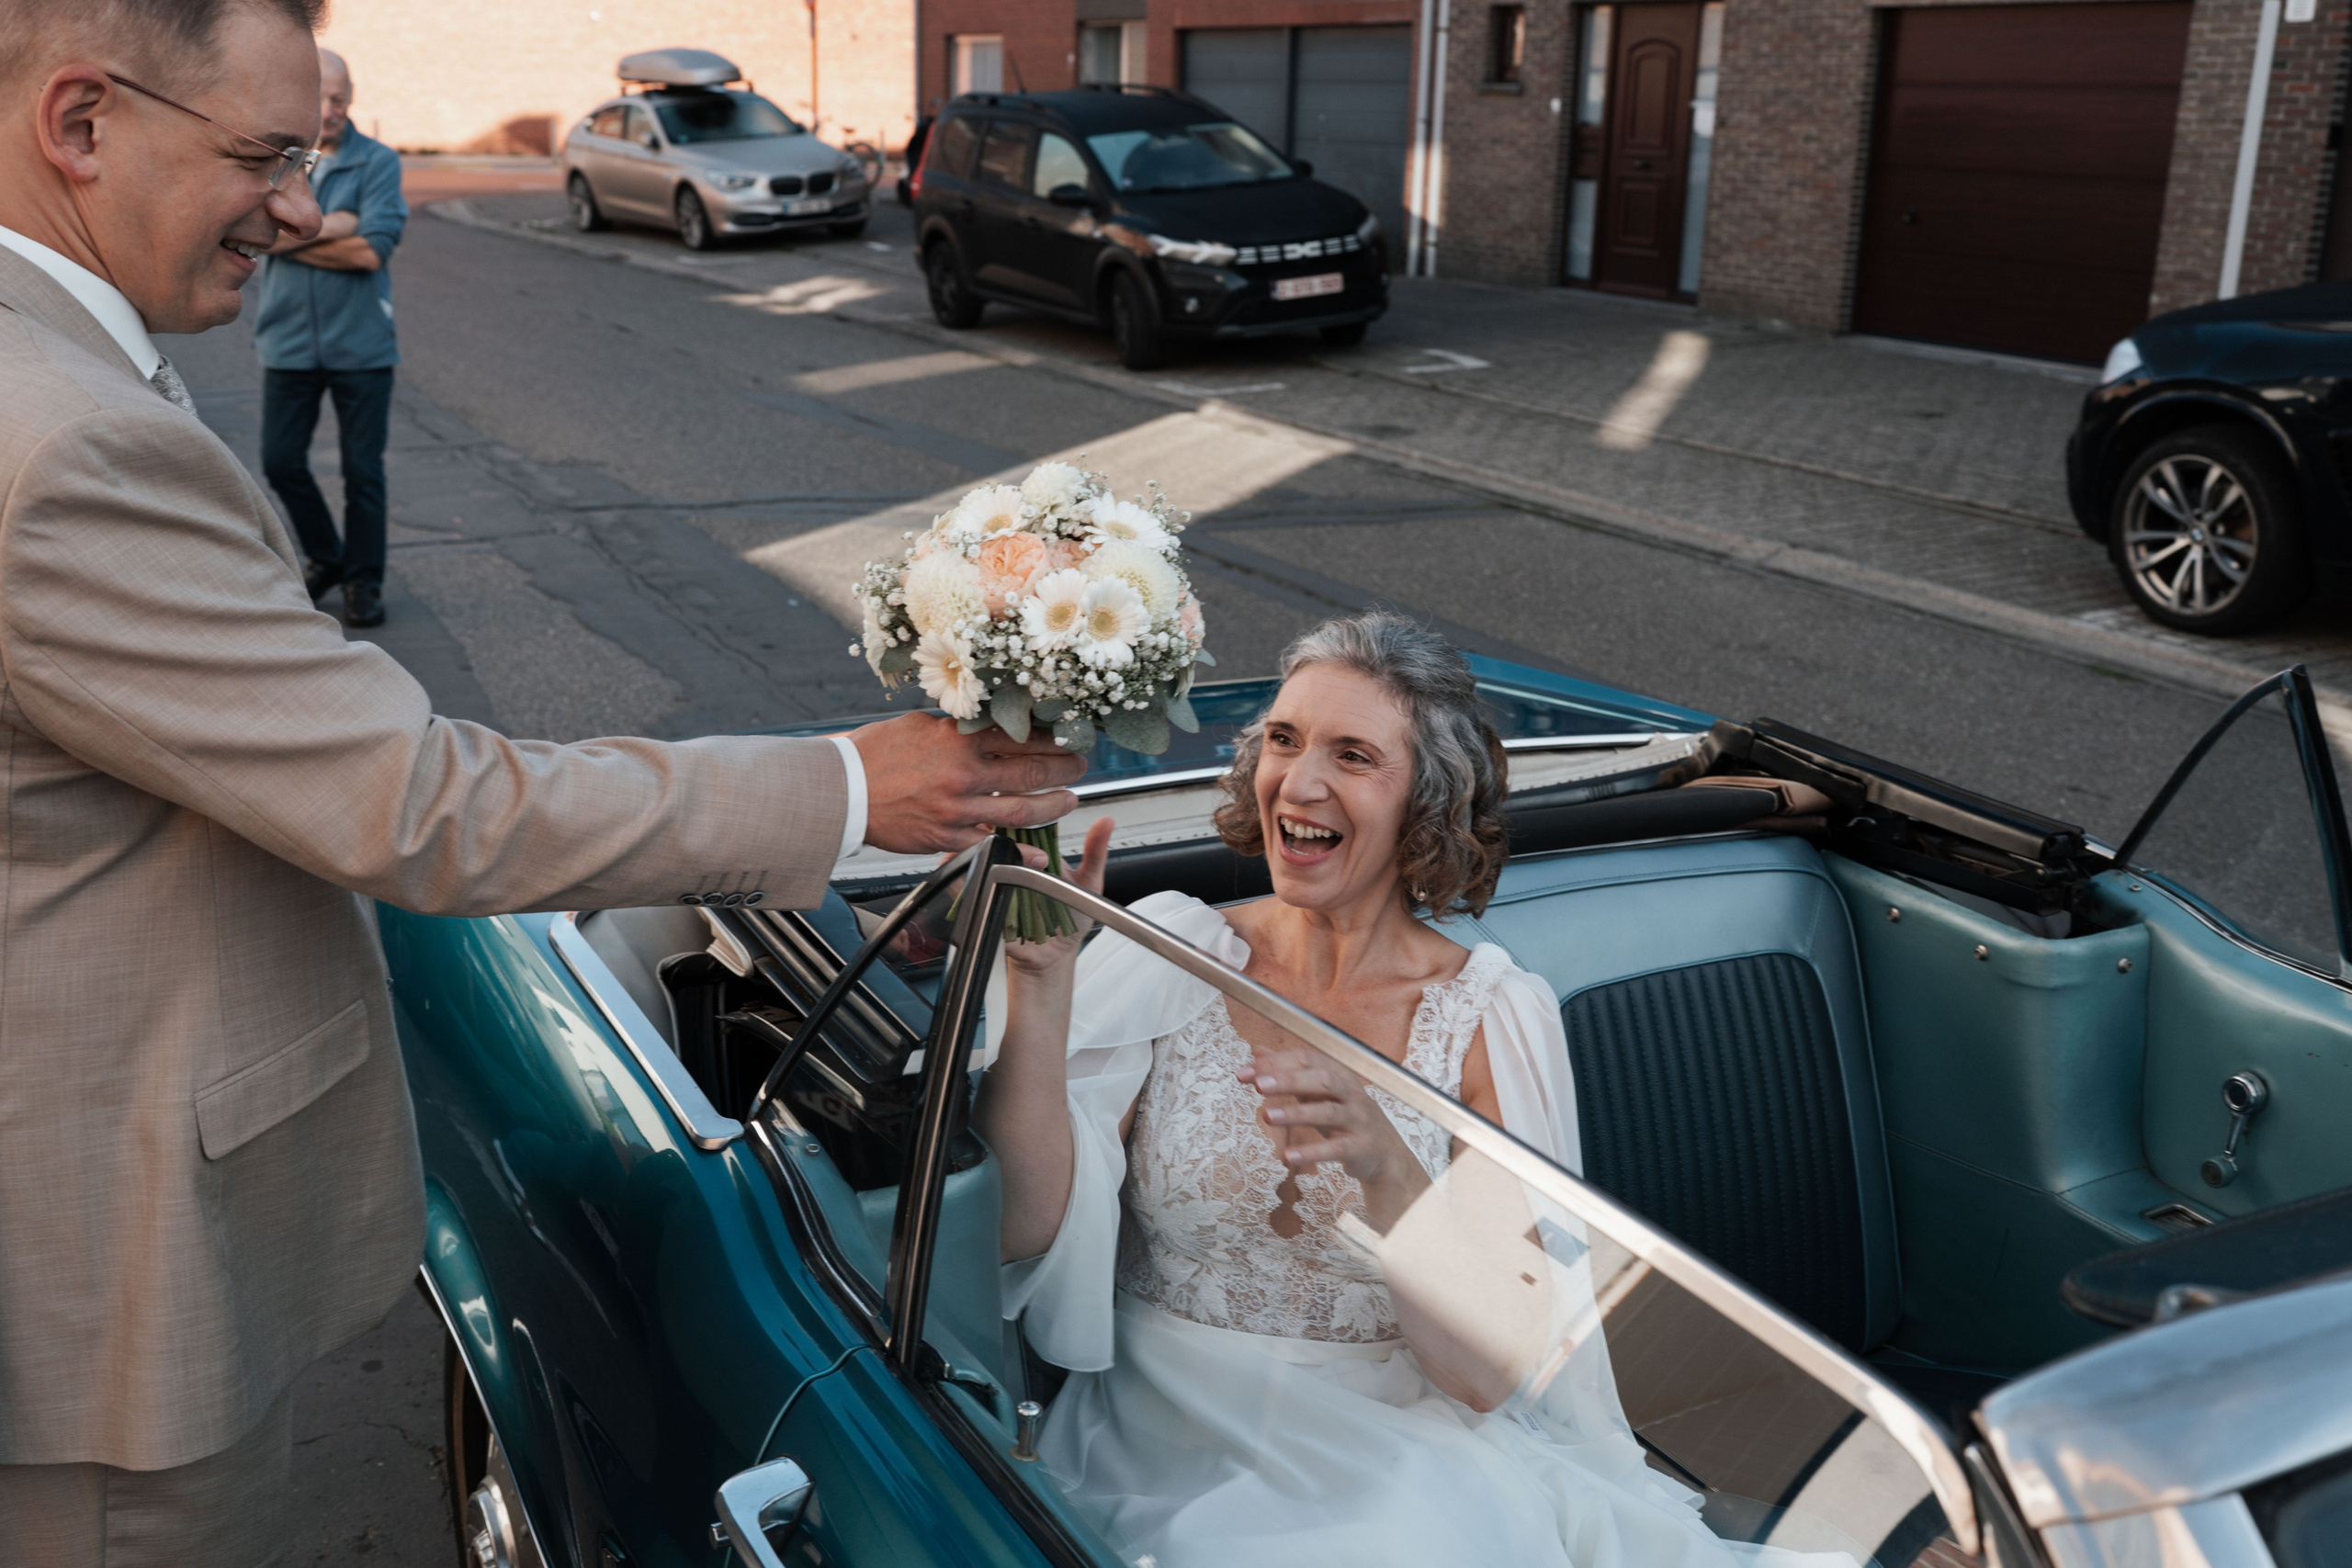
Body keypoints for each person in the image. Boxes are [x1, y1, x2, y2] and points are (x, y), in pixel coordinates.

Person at [0, 2, 1083, 1560]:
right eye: (266, 156)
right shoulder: (60, 442)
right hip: (107, 1308)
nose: (298, 209)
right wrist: (851, 789)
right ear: (82, 123)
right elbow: (420, 802)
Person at [978, 615, 1845, 1568]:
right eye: (1283, 740)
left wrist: (1388, 1169)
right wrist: (1040, 988)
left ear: (1426, 800)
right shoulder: (1170, 948)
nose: (1298, 782)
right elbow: (1021, 1228)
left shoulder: (1488, 1015)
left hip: (1393, 1444)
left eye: (1353, 755)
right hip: (1154, 1434)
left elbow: (1486, 1376)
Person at [253, 45, 401, 627]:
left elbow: (370, 253)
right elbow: (254, 233)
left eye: (340, 97)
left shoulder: (379, 162)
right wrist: (336, 224)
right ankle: (328, 555)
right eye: (321, 97)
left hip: (363, 347)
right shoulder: (279, 162)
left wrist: (291, 239)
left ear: (351, 99)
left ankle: (364, 580)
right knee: (281, 461)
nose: (331, 108)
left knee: (363, 473)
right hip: (287, 342)